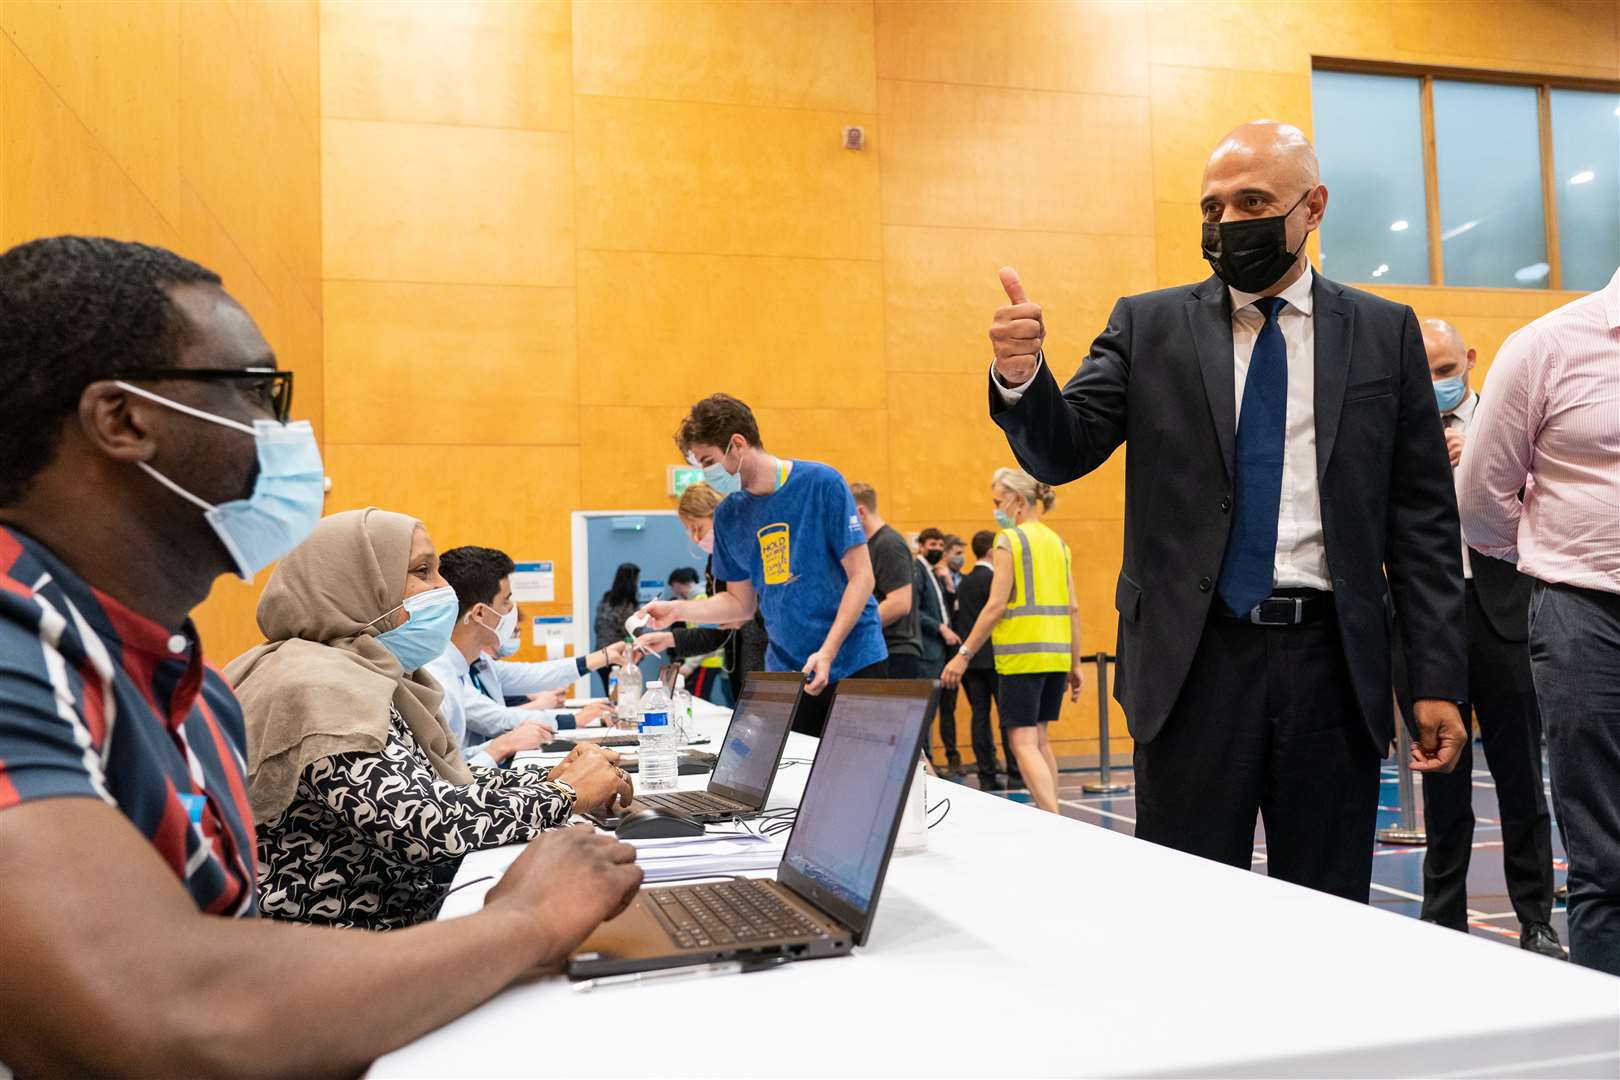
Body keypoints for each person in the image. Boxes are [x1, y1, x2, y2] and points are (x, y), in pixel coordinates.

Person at [0, 236, 641, 1076]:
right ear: (122, 420)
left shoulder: (170, 667)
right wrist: (525, 920)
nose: (290, 441)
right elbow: (171, 1013)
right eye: (258, 394)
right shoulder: (19, 642)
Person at [986, 121, 1467, 899]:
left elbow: (1423, 526)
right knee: (1184, 912)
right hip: (1191, 664)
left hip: (1333, 669)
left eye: (1253, 202)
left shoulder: (1383, 333)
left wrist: (1436, 677)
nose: (1228, 223)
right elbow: (1060, 451)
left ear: (1312, 207)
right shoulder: (1148, 325)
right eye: (1212, 208)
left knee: (1330, 911)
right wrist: (1021, 378)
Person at [228, 509, 634, 929]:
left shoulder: (370, 674)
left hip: (401, 923)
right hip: (342, 947)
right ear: (358, 582)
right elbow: (427, 825)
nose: (443, 589)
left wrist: (548, 780)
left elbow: (433, 785)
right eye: (423, 571)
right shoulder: (316, 687)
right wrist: (567, 793)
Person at [1458, 267, 1620, 973]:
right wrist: (1553, 554)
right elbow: (1481, 502)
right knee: (1608, 859)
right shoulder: (1545, 347)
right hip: (1585, 613)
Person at [1415, 319, 1562, 958]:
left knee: (1521, 779)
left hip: (1504, 612)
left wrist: (1475, 455)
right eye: (1425, 375)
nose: (1436, 385)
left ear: (1469, 361)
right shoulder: (1402, 431)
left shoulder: (1502, 420)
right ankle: (1442, 917)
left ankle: (1535, 917)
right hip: (1431, 616)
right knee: (1440, 776)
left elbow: (1545, 500)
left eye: (1446, 371)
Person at [639, 394, 887, 737]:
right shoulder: (729, 515)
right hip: (788, 667)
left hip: (853, 659)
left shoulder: (822, 484)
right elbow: (740, 606)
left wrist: (827, 651)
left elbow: (862, 578)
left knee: (858, 774)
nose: (706, 475)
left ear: (737, 444)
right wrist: (677, 610)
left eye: (709, 461)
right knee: (793, 776)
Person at [942, 470, 1082, 813]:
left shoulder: (1009, 541)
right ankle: (1058, 815)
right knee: (1040, 739)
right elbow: (1073, 607)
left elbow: (995, 606)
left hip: (1023, 656)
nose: (996, 509)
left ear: (1018, 500)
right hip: (1056, 655)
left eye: (997, 501)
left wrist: (963, 654)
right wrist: (1075, 663)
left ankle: (1054, 820)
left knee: (1022, 742)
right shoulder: (1057, 543)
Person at [428, 545, 621, 768]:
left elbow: (531, 673)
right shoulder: (439, 679)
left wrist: (602, 657)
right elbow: (443, 779)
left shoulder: (467, 664)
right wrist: (502, 745)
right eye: (506, 601)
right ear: (480, 613)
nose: (512, 610)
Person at [633, 483, 768, 706]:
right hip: (742, 677)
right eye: (690, 531)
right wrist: (669, 639)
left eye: (699, 528)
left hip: (765, 674)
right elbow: (720, 631)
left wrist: (676, 612)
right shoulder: (715, 564)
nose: (695, 538)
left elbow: (742, 616)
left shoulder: (750, 553)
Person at [851, 481, 922, 677]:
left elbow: (899, 603)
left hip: (896, 652)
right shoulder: (870, 546)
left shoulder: (888, 544)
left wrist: (849, 627)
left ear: (861, 512)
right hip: (881, 648)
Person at [955, 530, 1008, 791]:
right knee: (1006, 716)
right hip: (995, 658)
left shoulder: (963, 582)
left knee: (980, 716)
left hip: (971, 659)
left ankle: (986, 773)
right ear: (991, 552)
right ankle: (1016, 770)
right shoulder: (994, 580)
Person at [914, 526, 963, 774]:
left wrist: (948, 583)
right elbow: (916, 611)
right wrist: (940, 628)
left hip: (943, 652)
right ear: (921, 546)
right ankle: (924, 763)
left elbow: (947, 606)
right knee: (925, 713)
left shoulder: (935, 573)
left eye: (940, 545)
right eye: (931, 544)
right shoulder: (917, 570)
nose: (936, 549)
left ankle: (930, 762)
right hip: (928, 650)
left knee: (939, 711)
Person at [593, 561, 639, 695]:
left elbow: (597, 627)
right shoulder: (627, 605)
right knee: (624, 697)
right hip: (620, 656)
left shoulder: (605, 600)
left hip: (601, 656)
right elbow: (631, 631)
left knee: (612, 696)